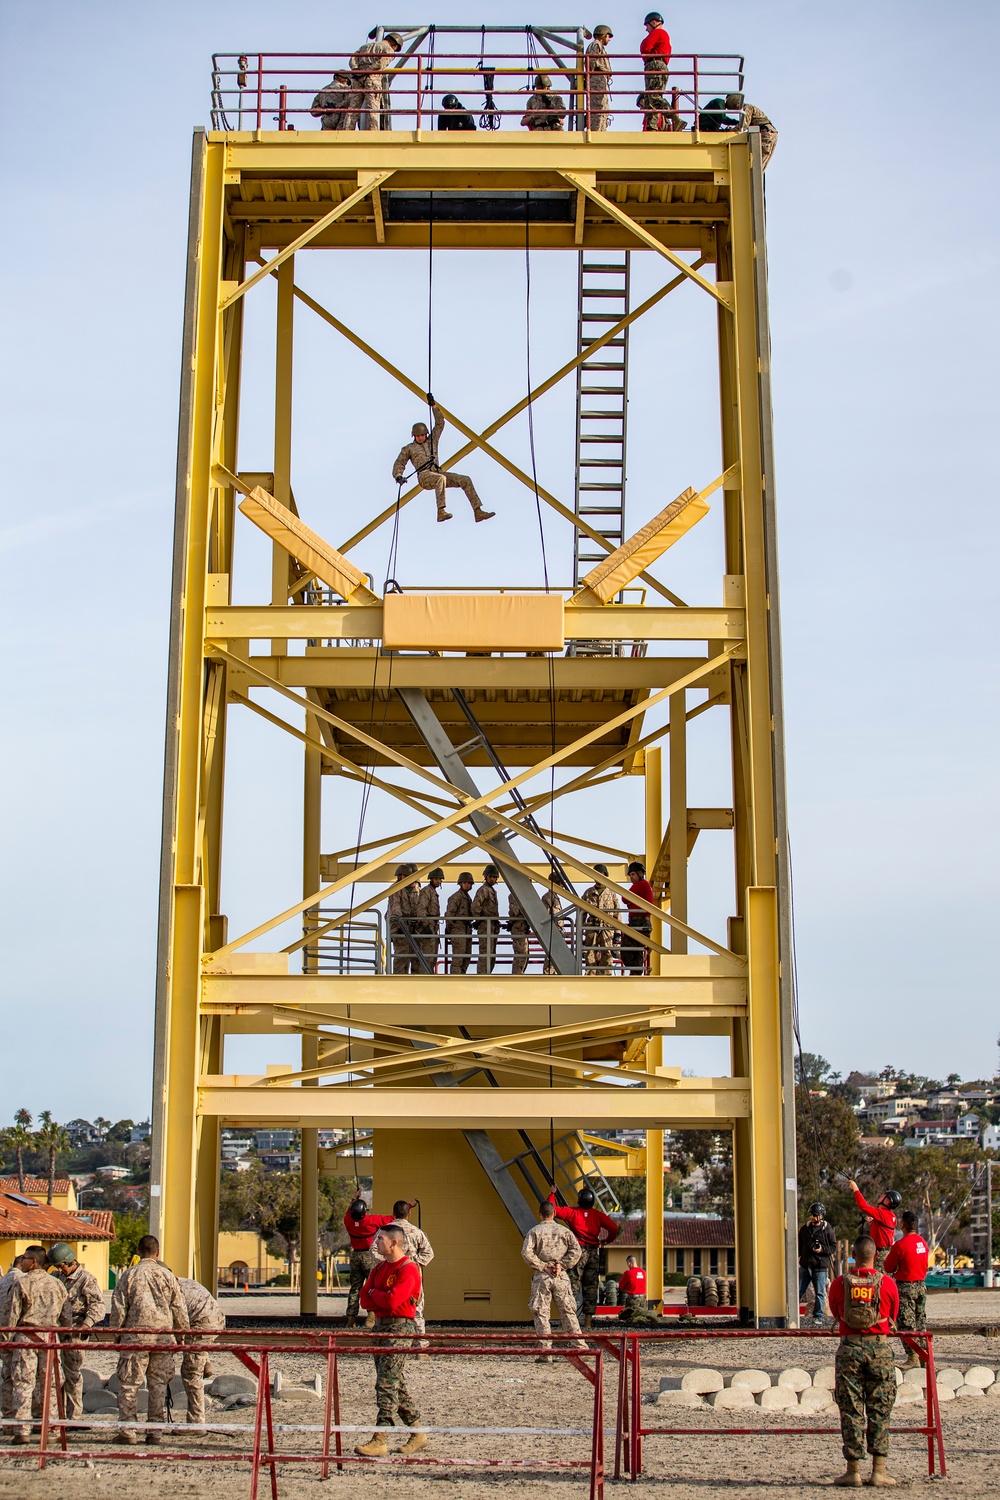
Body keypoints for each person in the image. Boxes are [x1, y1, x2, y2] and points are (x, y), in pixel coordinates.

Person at [828, 1235, 900, 1489]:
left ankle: (853, 1471)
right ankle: (879, 1471)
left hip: (849, 1348)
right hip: (879, 1349)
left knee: (851, 1409)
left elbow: (836, 1312)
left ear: (854, 1255)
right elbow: (892, 1314)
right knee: (880, 1407)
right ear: (874, 1255)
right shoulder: (888, 1283)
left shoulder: (840, 1283)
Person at [109, 1234, 190, 1445]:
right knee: (158, 1385)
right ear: (158, 1252)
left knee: (129, 1385)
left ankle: (128, 1431)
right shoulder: (167, 1276)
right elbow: (179, 1308)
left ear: (138, 1251)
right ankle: (155, 1431)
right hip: (163, 1337)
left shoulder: (128, 1275)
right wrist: (182, 1335)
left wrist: (116, 1335)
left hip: (135, 1337)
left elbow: (118, 1309)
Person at [356, 1225, 425, 1457]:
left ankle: (381, 1437)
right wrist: (379, 1296)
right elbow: (364, 1298)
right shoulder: (378, 1268)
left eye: (381, 1238)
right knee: (395, 1382)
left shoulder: (408, 1268)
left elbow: (393, 1301)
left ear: (394, 1243)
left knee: (386, 1383)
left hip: (399, 1328)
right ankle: (418, 1431)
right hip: (380, 1328)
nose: (376, 1242)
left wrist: (377, 1295)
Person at [0, 1245, 66, 1443]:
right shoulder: (57, 1284)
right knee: (51, 1385)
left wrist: (4, 1340)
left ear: (34, 1261)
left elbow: (10, 1315)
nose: (23, 1261)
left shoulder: (22, 1283)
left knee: (23, 1383)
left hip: (26, 1337)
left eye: (26, 1258)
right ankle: (51, 1427)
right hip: (50, 1338)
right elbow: (66, 1315)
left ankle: (22, 1430)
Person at [392, 401, 494, 524]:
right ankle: (441, 512)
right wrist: (398, 476)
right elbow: (399, 463)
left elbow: (440, 423)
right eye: (418, 436)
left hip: (437, 472)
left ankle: (478, 511)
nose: (420, 438)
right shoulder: (409, 448)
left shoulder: (432, 441)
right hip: (424, 476)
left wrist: (433, 406)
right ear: (414, 436)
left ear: (426, 434)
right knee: (440, 479)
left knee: (465, 480)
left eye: (422, 435)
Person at [46, 1243, 104, 1425]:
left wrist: (86, 1325)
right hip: (55, 1332)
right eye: (57, 1267)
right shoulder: (55, 1277)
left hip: (74, 1333)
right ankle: (54, 1415)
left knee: (72, 1375)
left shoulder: (86, 1279)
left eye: (62, 1265)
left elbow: (98, 1306)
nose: (59, 1270)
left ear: (70, 1261)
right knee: (52, 1375)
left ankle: (74, 1416)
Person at [548, 1187, 620, 1329]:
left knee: (571, 1286)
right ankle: (587, 1323)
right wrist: (606, 1240)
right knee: (591, 1287)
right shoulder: (597, 1215)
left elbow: (552, 1209)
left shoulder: (573, 1213)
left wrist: (552, 1193)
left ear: (579, 1200)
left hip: (577, 1252)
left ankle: (565, 1322)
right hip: (593, 1253)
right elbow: (613, 1228)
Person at [521, 1201, 585, 1361]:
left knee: (541, 1312)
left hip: (542, 1277)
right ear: (555, 1214)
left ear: (539, 1213)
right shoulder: (565, 1232)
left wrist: (543, 1266)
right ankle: (579, 1347)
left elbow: (526, 1253)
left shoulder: (534, 1232)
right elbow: (577, 1251)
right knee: (568, 1311)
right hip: (560, 1276)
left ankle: (545, 1351)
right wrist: (561, 1265)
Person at [373, 1200, 434, 1337]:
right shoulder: (417, 1232)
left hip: (389, 1275)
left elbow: (374, 1251)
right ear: (409, 1214)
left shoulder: (385, 1232)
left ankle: (389, 1339)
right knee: (416, 1310)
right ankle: (420, 1346)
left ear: (393, 1213)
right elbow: (429, 1253)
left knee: (388, 1306)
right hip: (412, 1276)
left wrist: (389, 1263)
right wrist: (411, 1263)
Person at [176, 1277, 225, 1426]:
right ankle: (205, 1360)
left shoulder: (168, 1287)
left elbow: (178, 1319)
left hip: (200, 1325)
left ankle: (196, 1422)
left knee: (191, 1374)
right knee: (196, 1356)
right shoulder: (185, 1282)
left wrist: (178, 1340)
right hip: (216, 1319)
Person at [884, 1211, 929, 1370]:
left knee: (905, 1323)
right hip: (921, 1285)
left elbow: (888, 1267)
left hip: (905, 1286)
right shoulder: (922, 1243)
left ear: (902, 1225)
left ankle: (913, 1356)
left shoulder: (900, 1245)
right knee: (920, 1321)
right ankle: (925, 1353)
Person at [343, 1198, 397, 1327]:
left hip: (355, 1255)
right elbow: (392, 1218)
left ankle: (351, 1319)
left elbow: (347, 1213)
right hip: (369, 1255)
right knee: (372, 1286)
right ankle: (371, 1317)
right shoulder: (370, 1221)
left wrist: (353, 1200)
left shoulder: (348, 1221)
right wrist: (409, 1206)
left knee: (355, 1288)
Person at [346, 30, 402, 132]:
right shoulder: (388, 49)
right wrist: (368, 70)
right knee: (373, 106)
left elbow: (352, 59)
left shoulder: (365, 47)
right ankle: (373, 132)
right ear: (394, 43)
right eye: (396, 47)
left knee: (353, 108)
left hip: (357, 78)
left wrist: (356, 69)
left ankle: (347, 130)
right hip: (372, 78)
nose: (395, 49)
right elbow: (381, 63)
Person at [638, 13, 683, 132]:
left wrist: (645, 49)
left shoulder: (658, 33)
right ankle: (651, 127)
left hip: (655, 65)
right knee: (649, 99)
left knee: (653, 96)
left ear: (653, 22)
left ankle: (674, 117)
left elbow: (645, 48)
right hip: (659, 65)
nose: (646, 29)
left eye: (647, 25)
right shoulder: (663, 35)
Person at [798, 1203, 837, 1326]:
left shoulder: (828, 1230)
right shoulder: (804, 1229)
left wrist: (822, 1250)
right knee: (798, 1291)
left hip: (820, 1266)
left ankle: (818, 1316)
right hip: (805, 1265)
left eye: (815, 1215)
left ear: (821, 1216)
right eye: (811, 1215)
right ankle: (792, 1313)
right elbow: (799, 1245)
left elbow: (833, 1246)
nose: (813, 1217)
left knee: (820, 1292)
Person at [0, 1253, 27, 1425]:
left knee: (7, 1376)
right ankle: (21, 1421)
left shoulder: (3, 1280)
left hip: (4, 1335)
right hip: (19, 1336)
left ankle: (8, 1418)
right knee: (22, 1379)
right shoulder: (21, 1280)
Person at [848, 1182, 900, 1270]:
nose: (881, 1196)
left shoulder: (882, 1213)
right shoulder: (892, 1216)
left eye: (884, 1196)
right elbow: (885, 1228)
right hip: (886, 1252)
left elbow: (863, 1206)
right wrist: (874, 1222)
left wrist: (856, 1189)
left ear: (887, 1202)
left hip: (879, 1254)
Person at [581, 864, 618, 974]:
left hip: (607, 926)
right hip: (592, 926)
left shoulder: (611, 893)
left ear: (605, 875)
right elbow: (582, 912)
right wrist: (580, 928)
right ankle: (590, 978)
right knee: (589, 954)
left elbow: (617, 914)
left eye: (600, 874)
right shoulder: (588, 893)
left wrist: (617, 932)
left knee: (607, 954)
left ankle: (606, 979)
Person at [621, 862, 654, 976]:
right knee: (637, 950)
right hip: (642, 922)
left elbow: (625, 898)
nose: (631, 877)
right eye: (630, 875)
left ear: (640, 874)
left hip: (638, 922)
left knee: (626, 950)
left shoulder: (640, 885)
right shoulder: (644, 885)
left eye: (633, 874)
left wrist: (631, 901)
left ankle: (636, 971)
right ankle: (636, 972)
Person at [387, 863, 421, 974]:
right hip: (400, 928)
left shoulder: (418, 890)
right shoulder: (396, 889)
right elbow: (395, 909)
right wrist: (399, 925)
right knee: (402, 957)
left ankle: (416, 984)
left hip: (414, 929)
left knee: (417, 958)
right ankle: (399, 982)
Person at [472, 865, 501, 974]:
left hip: (492, 926)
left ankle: (488, 974)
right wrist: (479, 920)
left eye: (494, 877)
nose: (493, 879)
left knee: (491, 954)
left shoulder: (491, 890)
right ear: (486, 877)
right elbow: (475, 906)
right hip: (485, 926)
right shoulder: (483, 890)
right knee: (485, 953)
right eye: (490, 877)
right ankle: (482, 976)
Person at [414, 867, 444, 970]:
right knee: (427, 958)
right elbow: (421, 909)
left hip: (433, 928)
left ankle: (428, 977)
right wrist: (425, 925)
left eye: (440, 879)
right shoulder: (427, 891)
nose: (438, 881)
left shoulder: (433, 892)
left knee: (432, 958)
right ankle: (424, 980)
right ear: (431, 879)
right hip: (428, 928)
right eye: (436, 879)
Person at [445, 872, 475, 974]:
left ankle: (462, 976)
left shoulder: (468, 898)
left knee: (467, 956)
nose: (467, 885)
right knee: (458, 957)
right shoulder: (456, 897)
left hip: (466, 929)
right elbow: (449, 914)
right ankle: (455, 978)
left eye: (469, 883)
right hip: (458, 929)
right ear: (460, 883)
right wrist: (449, 930)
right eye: (465, 882)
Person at [584, 27, 614, 131]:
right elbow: (591, 62)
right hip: (597, 80)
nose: (609, 39)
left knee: (603, 109)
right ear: (603, 35)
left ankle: (601, 131)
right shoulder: (596, 45)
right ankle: (596, 132)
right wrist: (604, 70)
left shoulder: (600, 47)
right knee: (598, 108)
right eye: (608, 36)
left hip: (601, 80)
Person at [507, 887, 532, 974]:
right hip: (518, 927)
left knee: (525, 954)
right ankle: (517, 974)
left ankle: (519, 973)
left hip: (523, 927)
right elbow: (516, 911)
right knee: (521, 953)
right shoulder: (515, 895)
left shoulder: (525, 895)